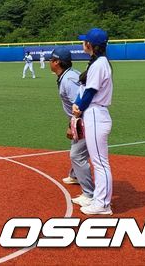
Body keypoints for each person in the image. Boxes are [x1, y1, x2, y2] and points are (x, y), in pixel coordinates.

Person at [72, 28, 114, 215]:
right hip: (95, 114)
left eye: (85, 41)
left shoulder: (99, 64)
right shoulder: (98, 62)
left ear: (91, 45)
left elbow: (90, 92)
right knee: (99, 161)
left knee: (100, 162)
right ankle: (98, 199)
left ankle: (103, 205)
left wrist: (79, 107)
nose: (83, 43)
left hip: (96, 113)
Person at [49, 46, 94, 207]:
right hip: (82, 118)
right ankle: (75, 175)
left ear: (57, 62)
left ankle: (89, 194)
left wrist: (72, 125)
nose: (49, 62)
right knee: (76, 148)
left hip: (85, 119)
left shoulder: (68, 80)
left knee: (77, 155)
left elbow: (80, 103)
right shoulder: (68, 75)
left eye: (51, 60)